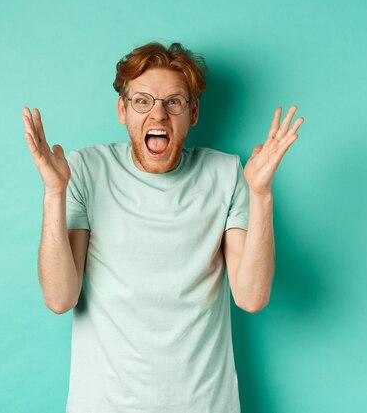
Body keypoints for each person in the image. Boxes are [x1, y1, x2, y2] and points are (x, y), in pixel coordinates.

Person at [21, 41, 303, 413]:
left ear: (193, 112)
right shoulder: (86, 170)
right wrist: (55, 192)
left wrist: (261, 194)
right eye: (142, 101)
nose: (158, 116)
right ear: (122, 110)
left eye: (173, 102)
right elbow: (60, 298)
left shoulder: (226, 173)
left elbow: (251, 297)